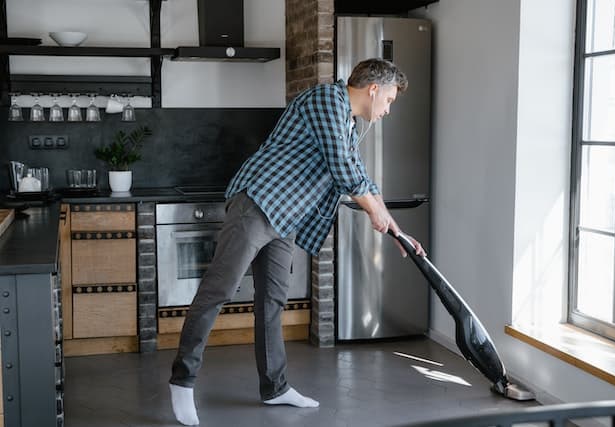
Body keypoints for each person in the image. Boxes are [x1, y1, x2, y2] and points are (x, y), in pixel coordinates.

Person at [169, 58, 426, 426]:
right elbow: (342, 167)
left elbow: (362, 179)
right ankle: (182, 381)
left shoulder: (348, 124)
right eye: (389, 101)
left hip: (285, 216)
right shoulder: (327, 100)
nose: (387, 110)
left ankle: (275, 388)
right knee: (218, 291)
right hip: (258, 203)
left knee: (272, 300)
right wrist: (374, 213)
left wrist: (398, 232)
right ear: (374, 89)